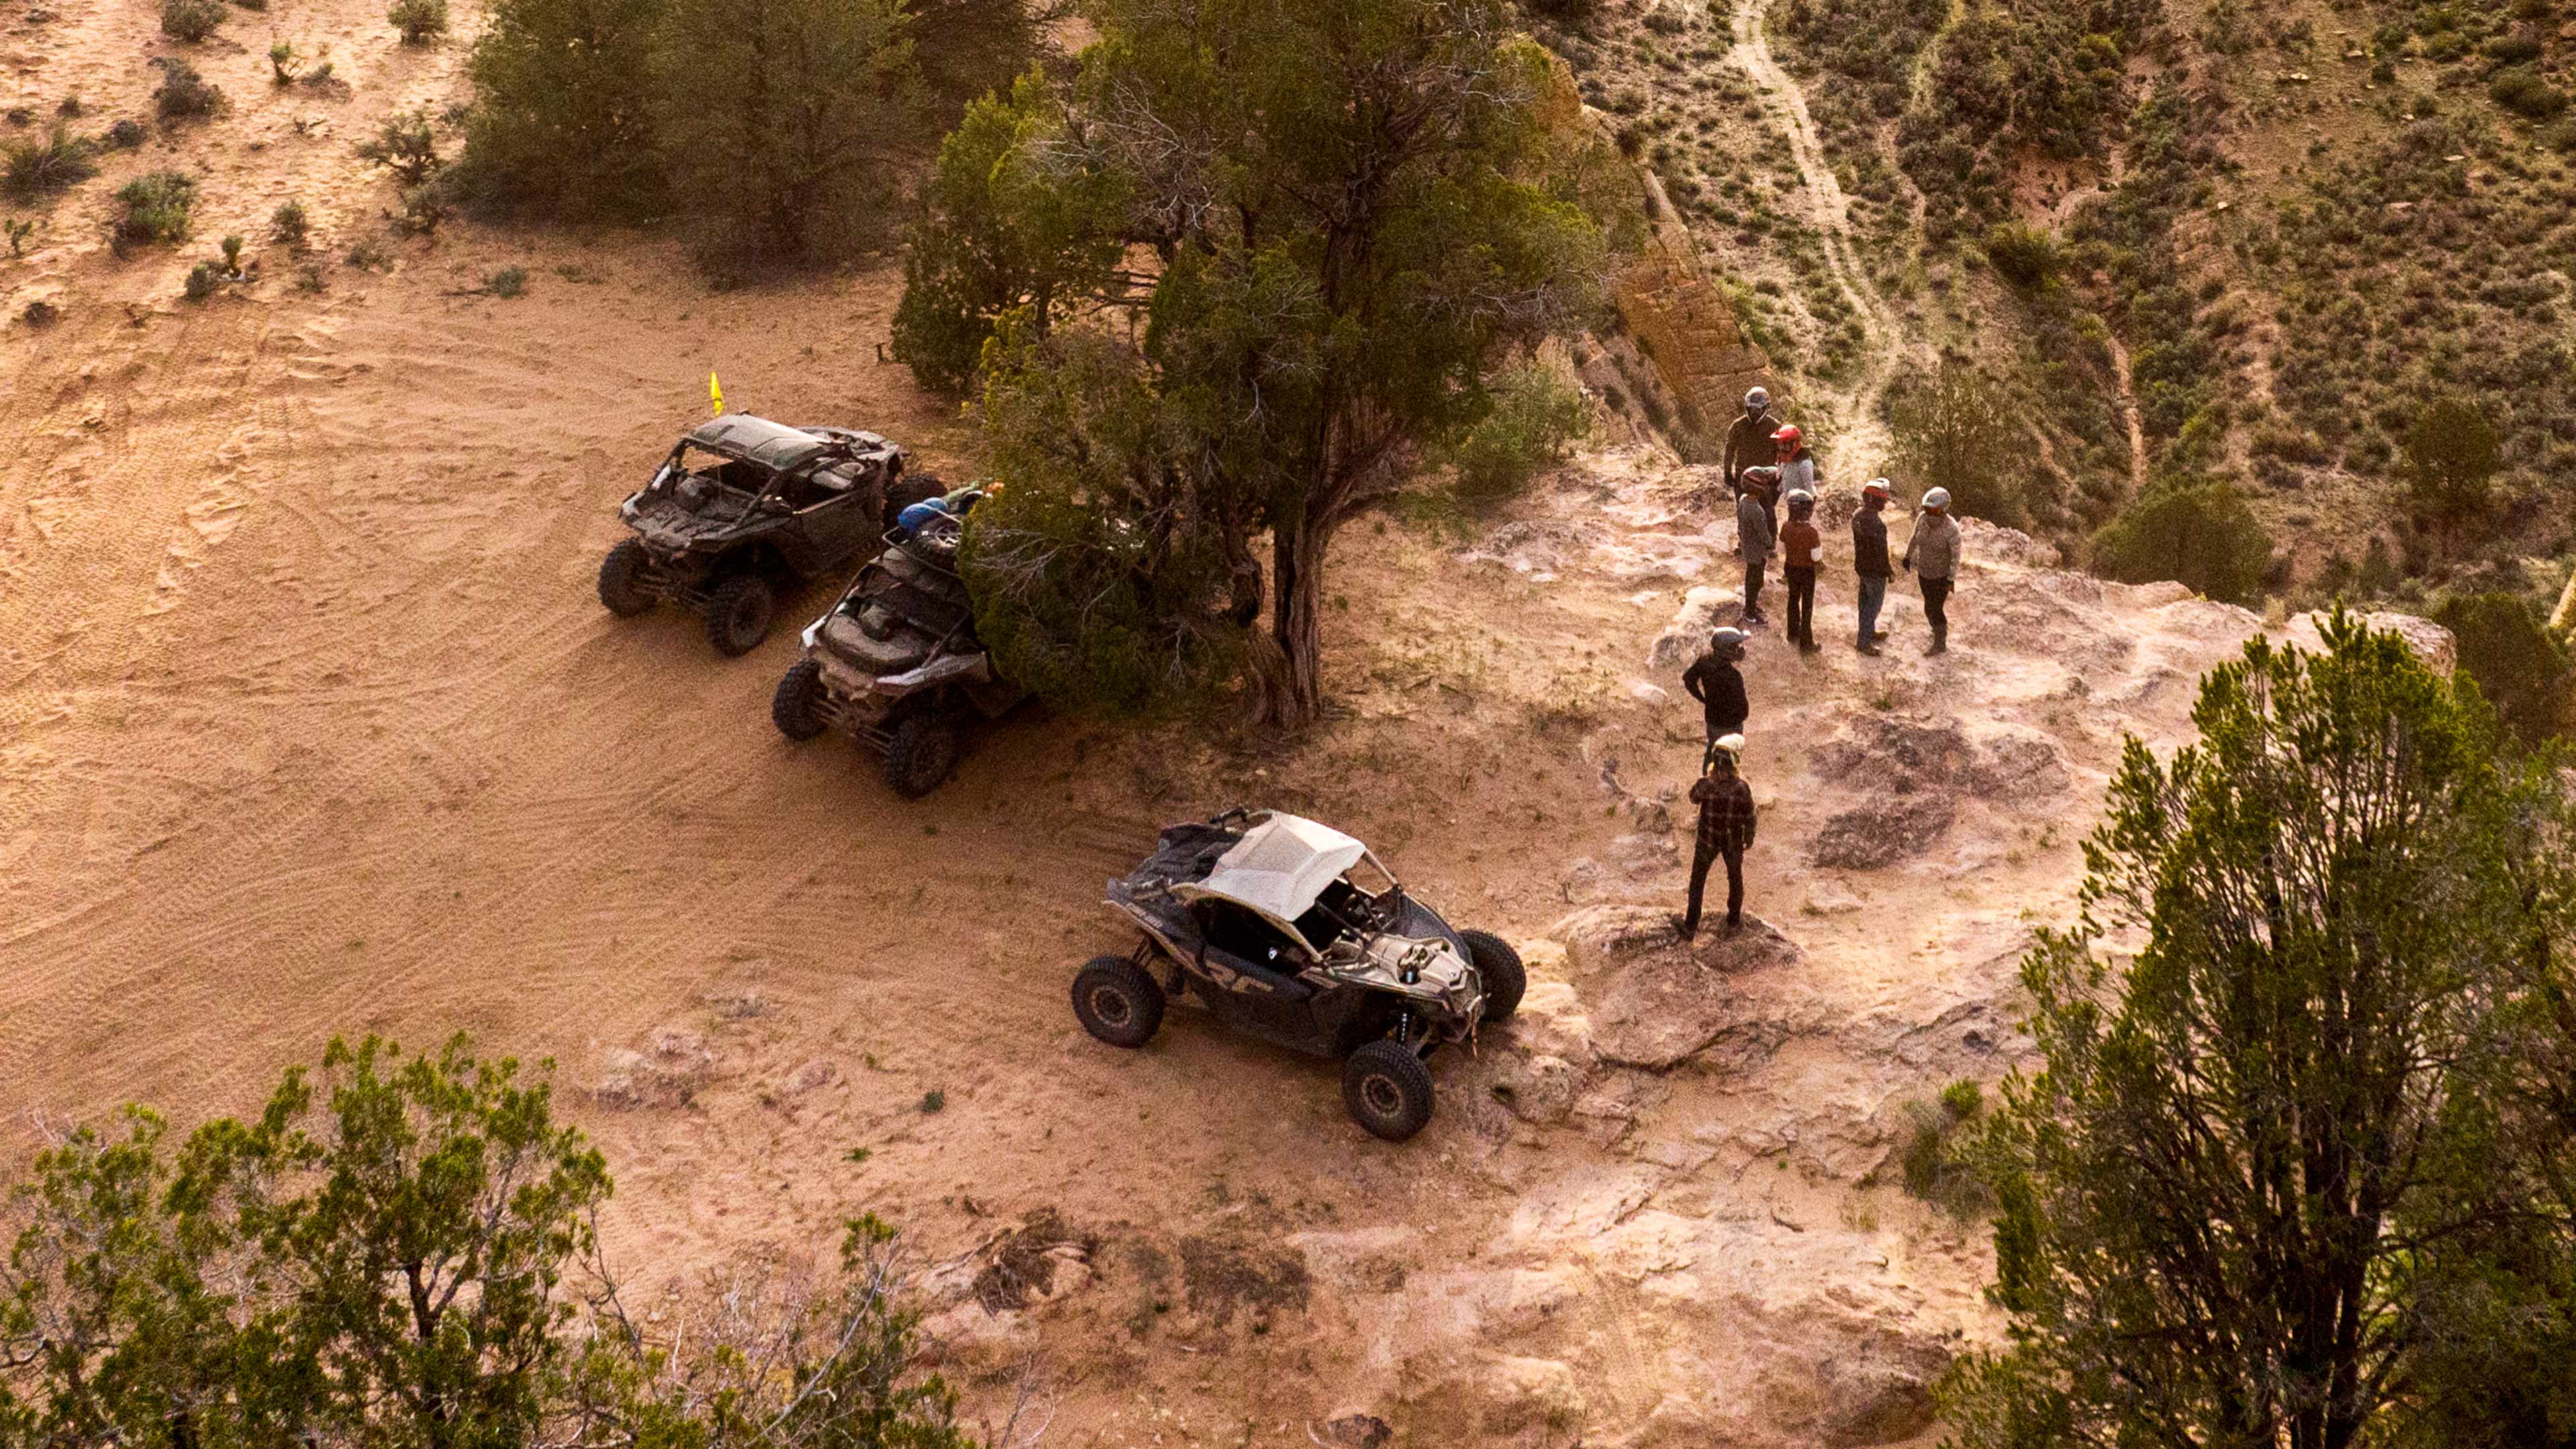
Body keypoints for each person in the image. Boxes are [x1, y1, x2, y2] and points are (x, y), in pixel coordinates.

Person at [1674, 734, 1758, 940]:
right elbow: (1749, 815)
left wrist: (1706, 778)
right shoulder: (1741, 787)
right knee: (1735, 878)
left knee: (1698, 879)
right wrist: (1749, 836)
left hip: (1707, 840)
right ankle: (1733, 921)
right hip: (1732, 841)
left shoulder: (1706, 783)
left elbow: (1693, 797)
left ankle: (1691, 925)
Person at [1901, 485, 1962, 655]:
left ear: (1943, 511)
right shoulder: (1922, 519)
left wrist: (1950, 579)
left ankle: (1940, 642)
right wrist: (1907, 556)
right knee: (1929, 606)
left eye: (1933, 511)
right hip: (1924, 573)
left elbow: (1955, 557)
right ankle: (1936, 630)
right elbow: (1914, 538)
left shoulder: (1951, 529)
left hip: (1941, 576)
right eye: (1926, 509)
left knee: (1935, 609)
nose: (1929, 514)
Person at [1681, 627, 1750, 744]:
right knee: (1729, 759)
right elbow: (1743, 710)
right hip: (1731, 727)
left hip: (1712, 721)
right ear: (1726, 650)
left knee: (1713, 751)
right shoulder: (1733, 676)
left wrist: (1702, 699)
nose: (1739, 649)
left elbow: (1688, 679)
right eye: (1735, 647)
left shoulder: (1704, 662)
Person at [1778, 488, 1823, 653]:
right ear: (1806, 512)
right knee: (1807, 605)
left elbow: (1781, 546)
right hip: (1807, 571)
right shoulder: (1811, 532)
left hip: (1790, 568)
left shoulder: (1786, 526)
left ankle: (1793, 632)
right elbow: (1816, 557)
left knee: (1793, 599)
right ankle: (1806, 643)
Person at [1851, 478, 1893, 656]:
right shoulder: (1878, 524)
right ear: (1877, 501)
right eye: (1883, 500)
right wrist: (1889, 571)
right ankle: (1864, 643)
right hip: (1875, 571)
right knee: (1873, 606)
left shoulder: (1858, 516)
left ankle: (1868, 632)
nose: (1885, 503)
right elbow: (1882, 553)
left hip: (1862, 567)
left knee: (1864, 603)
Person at [1735, 467, 1777, 625]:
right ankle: (1750, 613)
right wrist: (1770, 543)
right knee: (1756, 581)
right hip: (1757, 550)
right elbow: (1763, 533)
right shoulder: (1757, 510)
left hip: (1747, 546)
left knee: (1751, 578)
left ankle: (1750, 607)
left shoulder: (1744, 500)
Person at [1723, 386, 1780, 492]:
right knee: (1743, 508)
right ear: (1747, 408)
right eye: (1752, 409)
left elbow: (1781, 452)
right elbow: (1730, 450)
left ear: (1766, 408)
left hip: (1766, 477)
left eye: (1758, 409)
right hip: (1743, 477)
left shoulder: (1775, 426)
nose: (1755, 413)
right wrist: (1727, 472)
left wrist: (1781, 474)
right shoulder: (1738, 426)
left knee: (1767, 509)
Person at [1770, 423, 1817, 500]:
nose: (1782, 450)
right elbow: (1783, 481)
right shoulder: (1785, 462)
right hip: (1789, 502)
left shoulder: (1804, 464)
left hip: (1802, 504)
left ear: (1795, 444)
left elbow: (1810, 490)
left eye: (1785, 446)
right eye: (1780, 446)